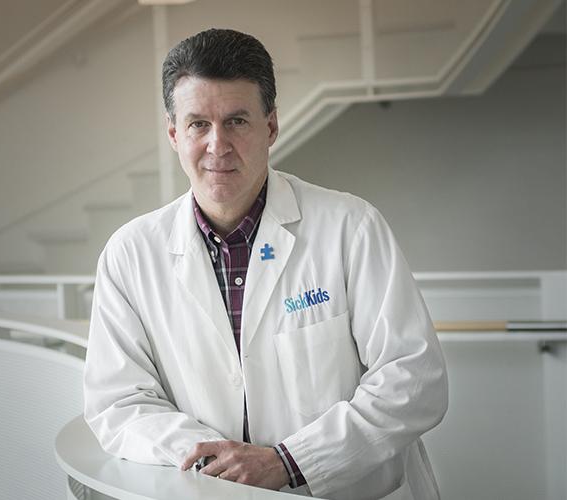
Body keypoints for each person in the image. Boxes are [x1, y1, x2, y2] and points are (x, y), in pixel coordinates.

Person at [83, 28, 448, 499]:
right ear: (174, 134)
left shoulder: (350, 227)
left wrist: (289, 462)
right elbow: (118, 402)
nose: (217, 145)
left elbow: (414, 378)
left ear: (271, 126)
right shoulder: (130, 254)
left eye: (236, 121)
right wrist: (221, 462)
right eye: (198, 124)